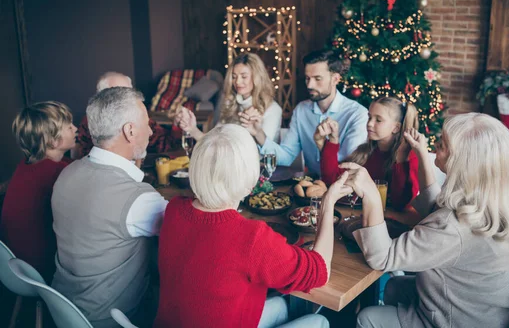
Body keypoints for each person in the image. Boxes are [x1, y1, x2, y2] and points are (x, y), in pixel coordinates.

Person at [345, 113, 509, 328]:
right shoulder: (498, 200)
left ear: (462, 162)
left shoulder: (453, 227)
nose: (436, 144)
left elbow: (382, 258)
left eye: (443, 144)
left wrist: (370, 194)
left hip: (463, 320)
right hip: (491, 310)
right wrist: (422, 155)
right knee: (392, 287)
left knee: (367, 317)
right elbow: (436, 208)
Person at [153, 124, 353, 328]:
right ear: (250, 178)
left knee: (280, 306)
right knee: (319, 322)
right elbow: (319, 271)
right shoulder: (251, 237)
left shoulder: (174, 209)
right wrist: (328, 203)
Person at [52, 87, 167, 328]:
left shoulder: (66, 173)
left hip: (62, 306)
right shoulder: (139, 199)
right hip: (111, 317)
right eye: (147, 123)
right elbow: (191, 232)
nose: (150, 130)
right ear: (130, 131)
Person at [239, 50, 369, 176]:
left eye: (317, 78)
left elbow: (349, 166)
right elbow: (286, 156)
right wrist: (258, 133)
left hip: (344, 187)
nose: (310, 85)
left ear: (335, 79)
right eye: (307, 78)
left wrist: (323, 146)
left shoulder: (357, 114)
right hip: (309, 188)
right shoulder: (301, 110)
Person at [0, 101, 76, 282]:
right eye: (69, 126)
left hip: (15, 262)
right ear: (52, 141)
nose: (75, 128)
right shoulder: (53, 173)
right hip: (38, 265)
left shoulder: (31, 163)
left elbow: (70, 166)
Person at [317, 97, 420, 211]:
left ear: (396, 128)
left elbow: (401, 204)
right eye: (369, 117)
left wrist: (401, 160)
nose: (370, 123)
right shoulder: (365, 152)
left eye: (378, 120)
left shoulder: (409, 158)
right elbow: (332, 179)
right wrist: (333, 140)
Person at [176, 53, 282, 143]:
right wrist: (192, 128)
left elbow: (268, 151)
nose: (237, 82)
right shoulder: (230, 104)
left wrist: (257, 132)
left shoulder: (273, 109)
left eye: (244, 76)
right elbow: (214, 141)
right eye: (234, 77)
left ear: (257, 78)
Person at [76, 71, 182, 158]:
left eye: (130, 92)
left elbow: (166, 143)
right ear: (103, 97)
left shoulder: (139, 116)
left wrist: (178, 124)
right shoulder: (90, 123)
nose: (129, 98)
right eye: (119, 93)